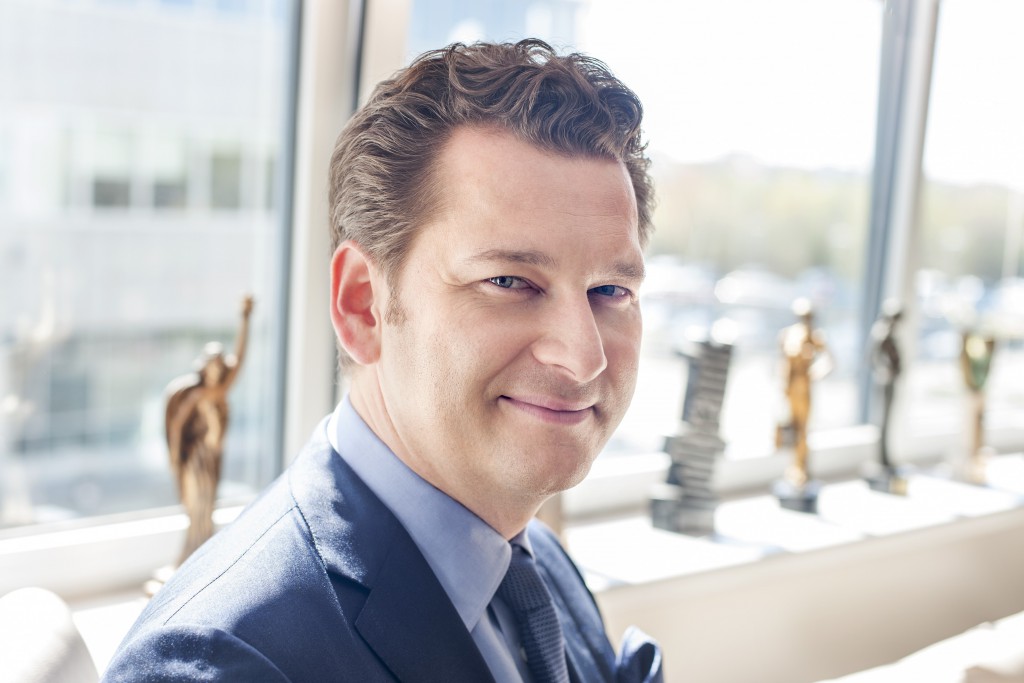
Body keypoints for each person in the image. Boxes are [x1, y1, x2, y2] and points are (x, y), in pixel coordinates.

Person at [104, 39, 663, 682]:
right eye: (510, 282)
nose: (583, 357)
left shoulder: (538, 564)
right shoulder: (217, 660)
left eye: (611, 291)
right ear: (363, 306)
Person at [163, 295, 253, 565]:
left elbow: (240, 357)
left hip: (211, 458)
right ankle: (191, 555)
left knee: (207, 507)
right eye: (211, 364)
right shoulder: (196, 395)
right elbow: (177, 426)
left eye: (219, 364)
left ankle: (202, 555)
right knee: (195, 505)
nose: (215, 369)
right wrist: (176, 456)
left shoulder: (220, 392)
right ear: (204, 367)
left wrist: (245, 318)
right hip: (195, 458)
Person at [777, 298, 833, 488]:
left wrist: (814, 373)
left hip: (804, 387)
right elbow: (783, 361)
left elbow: (829, 360)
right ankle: (794, 466)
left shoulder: (814, 336)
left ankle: (802, 466)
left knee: (803, 429)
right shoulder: (788, 334)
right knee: (792, 427)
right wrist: (783, 384)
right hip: (791, 387)